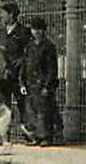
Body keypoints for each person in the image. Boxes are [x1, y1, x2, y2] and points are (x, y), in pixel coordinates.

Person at [22, 15, 62, 146]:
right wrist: (22, 82)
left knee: (45, 112)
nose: (36, 32)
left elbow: (52, 68)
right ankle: (36, 137)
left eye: (39, 29)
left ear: (43, 30)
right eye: (34, 29)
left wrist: (47, 85)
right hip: (31, 83)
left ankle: (47, 137)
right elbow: (24, 65)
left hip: (43, 84)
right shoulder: (29, 47)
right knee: (32, 111)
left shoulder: (49, 47)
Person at [0, 1, 32, 136]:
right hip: (3, 75)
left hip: (18, 76)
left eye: (3, 14)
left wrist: (20, 63)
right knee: (4, 106)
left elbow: (29, 52)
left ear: (11, 15)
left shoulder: (24, 31)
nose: (1, 16)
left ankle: (26, 134)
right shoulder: (1, 32)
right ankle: (4, 135)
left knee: (22, 104)